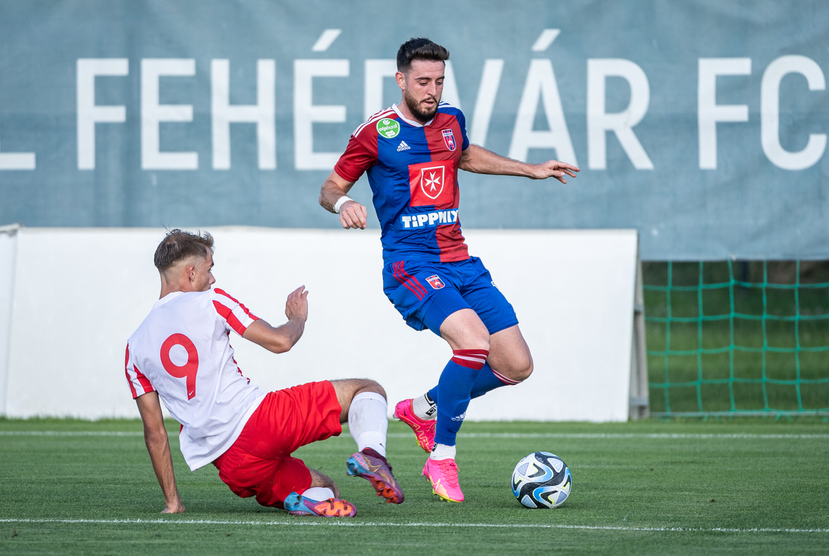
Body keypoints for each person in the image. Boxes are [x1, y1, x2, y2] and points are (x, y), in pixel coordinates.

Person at [318, 38, 579, 503]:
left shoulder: (451, 120)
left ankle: (424, 407)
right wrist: (344, 203)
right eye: (423, 81)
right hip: (410, 264)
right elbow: (330, 187)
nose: (432, 90)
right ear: (401, 80)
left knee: (517, 365)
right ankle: (441, 457)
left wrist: (531, 170)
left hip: (461, 262)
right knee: (473, 342)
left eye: (439, 81)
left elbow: (464, 155)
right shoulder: (375, 132)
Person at [124, 229, 403, 517]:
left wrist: (173, 503)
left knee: (326, 487)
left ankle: (303, 502)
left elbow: (155, 435)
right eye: (209, 269)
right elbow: (281, 342)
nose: (213, 278)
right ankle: (373, 455)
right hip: (261, 422)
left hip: (232, 464)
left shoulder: (134, 347)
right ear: (192, 272)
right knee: (366, 390)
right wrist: (298, 317)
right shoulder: (211, 301)